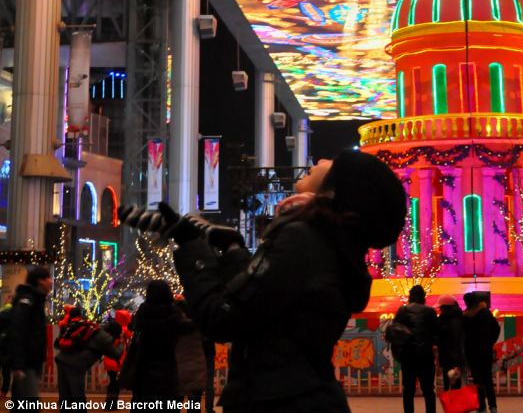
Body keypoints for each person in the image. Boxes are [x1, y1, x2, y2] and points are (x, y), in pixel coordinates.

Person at [119, 148, 407, 413]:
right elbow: (266, 306)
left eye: (332, 163)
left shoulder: (303, 241)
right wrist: (233, 251)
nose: (319, 162)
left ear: (336, 190)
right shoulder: (328, 246)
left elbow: (221, 318)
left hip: (277, 402)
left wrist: (192, 247)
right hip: (303, 397)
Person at [131, 280, 190, 402]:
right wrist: (183, 303)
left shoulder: (142, 313)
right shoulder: (174, 314)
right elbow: (193, 323)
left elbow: (133, 329)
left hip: (144, 372)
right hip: (168, 372)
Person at [8, 265, 52, 400]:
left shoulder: (35, 300)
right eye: (48, 278)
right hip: (27, 363)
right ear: (40, 281)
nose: (51, 281)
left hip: (30, 362)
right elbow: (18, 330)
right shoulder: (28, 301)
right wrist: (19, 364)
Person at [55, 316, 122, 404]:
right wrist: (121, 343)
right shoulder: (104, 338)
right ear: (115, 333)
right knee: (78, 397)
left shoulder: (92, 329)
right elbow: (116, 354)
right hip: (75, 365)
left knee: (66, 398)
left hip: (61, 359)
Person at [393, 284, 438, 413]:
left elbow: (395, 332)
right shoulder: (430, 312)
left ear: (410, 296)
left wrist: (399, 353)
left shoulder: (403, 311)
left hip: (408, 356)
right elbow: (436, 333)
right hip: (425, 356)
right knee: (428, 390)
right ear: (423, 297)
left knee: (408, 390)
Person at [463, 291, 500, 413]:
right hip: (486, 350)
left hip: (472, 352)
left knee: (477, 380)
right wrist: (490, 341)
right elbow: (496, 328)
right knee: (488, 379)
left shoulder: (466, 316)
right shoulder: (485, 313)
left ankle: (481, 407)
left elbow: (463, 336)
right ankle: (493, 406)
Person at [174, 298, 207, 404]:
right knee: (194, 405)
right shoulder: (198, 324)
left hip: (177, 368)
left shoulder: (174, 324)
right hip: (197, 368)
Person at [103, 308, 132, 409]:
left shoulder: (111, 328)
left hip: (109, 358)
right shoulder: (125, 330)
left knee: (112, 381)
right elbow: (129, 339)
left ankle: (109, 402)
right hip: (119, 359)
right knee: (116, 382)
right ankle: (113, 403)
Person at [436, 295, 465, 391]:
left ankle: (453, 404)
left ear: (445, 308)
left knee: (450, 382)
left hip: (449, 356)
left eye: (440, 308)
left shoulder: (444, 320)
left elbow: (446, 339)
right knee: (456, 382)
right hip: (457, 356)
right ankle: (455, 403)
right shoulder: (460, 317)